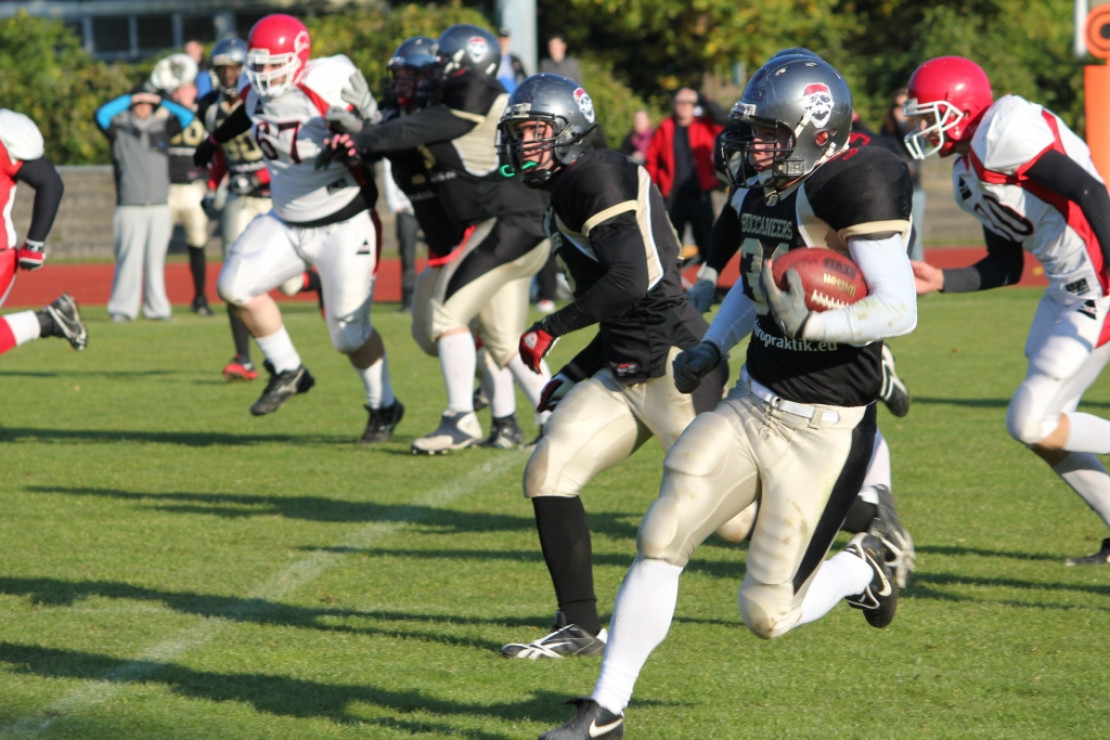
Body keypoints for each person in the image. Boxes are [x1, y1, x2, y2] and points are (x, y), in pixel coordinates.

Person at [540, 54, 918, 738]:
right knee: (662, 534)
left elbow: (900, 307)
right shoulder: (759, 191)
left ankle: (864, 568)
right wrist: (714, 345)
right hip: (754, 400)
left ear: (817, 129)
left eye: (769, 133)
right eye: (752, 132)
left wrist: (815, 324)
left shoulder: (853, 185)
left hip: (827, 426)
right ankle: (606, 710)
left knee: (768, 614)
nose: (752, 147)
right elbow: (753, 282)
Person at [496, 73, 730, 660]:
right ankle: (579, 626)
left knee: (736, 522)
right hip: (625, 364)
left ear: (569, 129)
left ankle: (866, 516)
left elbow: (632, 281)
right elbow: (621, 306)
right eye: (517, 133)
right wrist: (574, 372)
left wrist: (550, 328)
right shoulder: (571, 184)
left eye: (533, 131)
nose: (522, 144)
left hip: (676, 363)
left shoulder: (596, 175)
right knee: (548, 472)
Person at [903, 55, 1110, 566]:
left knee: (1029, 421)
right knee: (1046, 433)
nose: (920, 127)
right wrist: (941, 280)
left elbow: (1088, 189)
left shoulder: (1003, 130)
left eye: (928, 115)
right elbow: (1006, 266)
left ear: (959, 107)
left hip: (1098, 288)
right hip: (1064, 293)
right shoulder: (967, 174)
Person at [322, 23, 553, 454]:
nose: (406, 84)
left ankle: (460, 418)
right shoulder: (433, 112)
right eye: (403, 75)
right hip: (511, 229)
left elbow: (411, 135)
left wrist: (366, 132)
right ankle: (556, 418)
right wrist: (368, 128)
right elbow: (406, 136)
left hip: (504, 225)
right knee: (502, 341)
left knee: (446, 318)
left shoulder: (469, 98)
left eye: (417, 74)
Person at [192, 13, 404, 444]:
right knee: (234, 285)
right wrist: (214, 140)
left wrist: (356, 138)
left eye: (274, 65)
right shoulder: (252, 90)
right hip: (286, 220)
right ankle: (288, 369)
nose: (265, 74)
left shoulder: (327, 82)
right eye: (259, 64)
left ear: (299, 57)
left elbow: (381, 137)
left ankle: (384, 405)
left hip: (343, 221)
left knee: (348, 338)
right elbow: (249, 114)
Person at [96, 85, 195, 322]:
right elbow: (101, 114)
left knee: (155, 262)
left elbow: (187, 116)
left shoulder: (163, 128)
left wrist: (160, 100)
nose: (143, 108)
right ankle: (122, 309)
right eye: (138, 104)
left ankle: (158, 309)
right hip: (129, 205)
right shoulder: (120, 129)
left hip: (159, 206)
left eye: (146, 104)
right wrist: (130, 98)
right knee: (128, 260)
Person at [0, 108, 88, 356]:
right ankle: (50, 320)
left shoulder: (4, 133)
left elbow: (49, 182)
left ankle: (47, 322)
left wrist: (35, 242)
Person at [151, 52, 214, 316]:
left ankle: (200, 298)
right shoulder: (165, 112)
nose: (183, 92)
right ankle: (155, 300)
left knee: (197, 243)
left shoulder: (203, 113)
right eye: (180, 88)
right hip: (167, 187)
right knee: (157, 246)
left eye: (187, 87)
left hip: (193, 188)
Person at [644, 88, 725, 263]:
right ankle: (674, 280)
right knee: (671, 246)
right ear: (674, 105)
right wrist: (654, 185)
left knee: (707, 243)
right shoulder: (665, 127)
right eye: (680, 102)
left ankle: (708, 278)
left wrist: (702, 97)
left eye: (688, 103)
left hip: (700, 195)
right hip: (673, 196)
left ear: (694, 105)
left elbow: (723, 119)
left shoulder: (704, 125)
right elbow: (651, 159)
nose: (684, 106)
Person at [880, 87, 927, 261]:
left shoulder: (917, 129)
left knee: (915, 239)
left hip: (914, 190)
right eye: (897, 106)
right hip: (892, 191)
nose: (900, 110)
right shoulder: (887, 130)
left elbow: (913, 152)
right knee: (894, 239)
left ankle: (918, 277)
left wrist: (903, 126)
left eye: (905, 106)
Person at [496, 27, 527, 94]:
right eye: (501, 38)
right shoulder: (494, 59)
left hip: (513, 94)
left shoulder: (515, 60)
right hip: (498, 95)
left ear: (509, 39)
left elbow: (525, 77)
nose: (503, 41)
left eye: (505, 39)